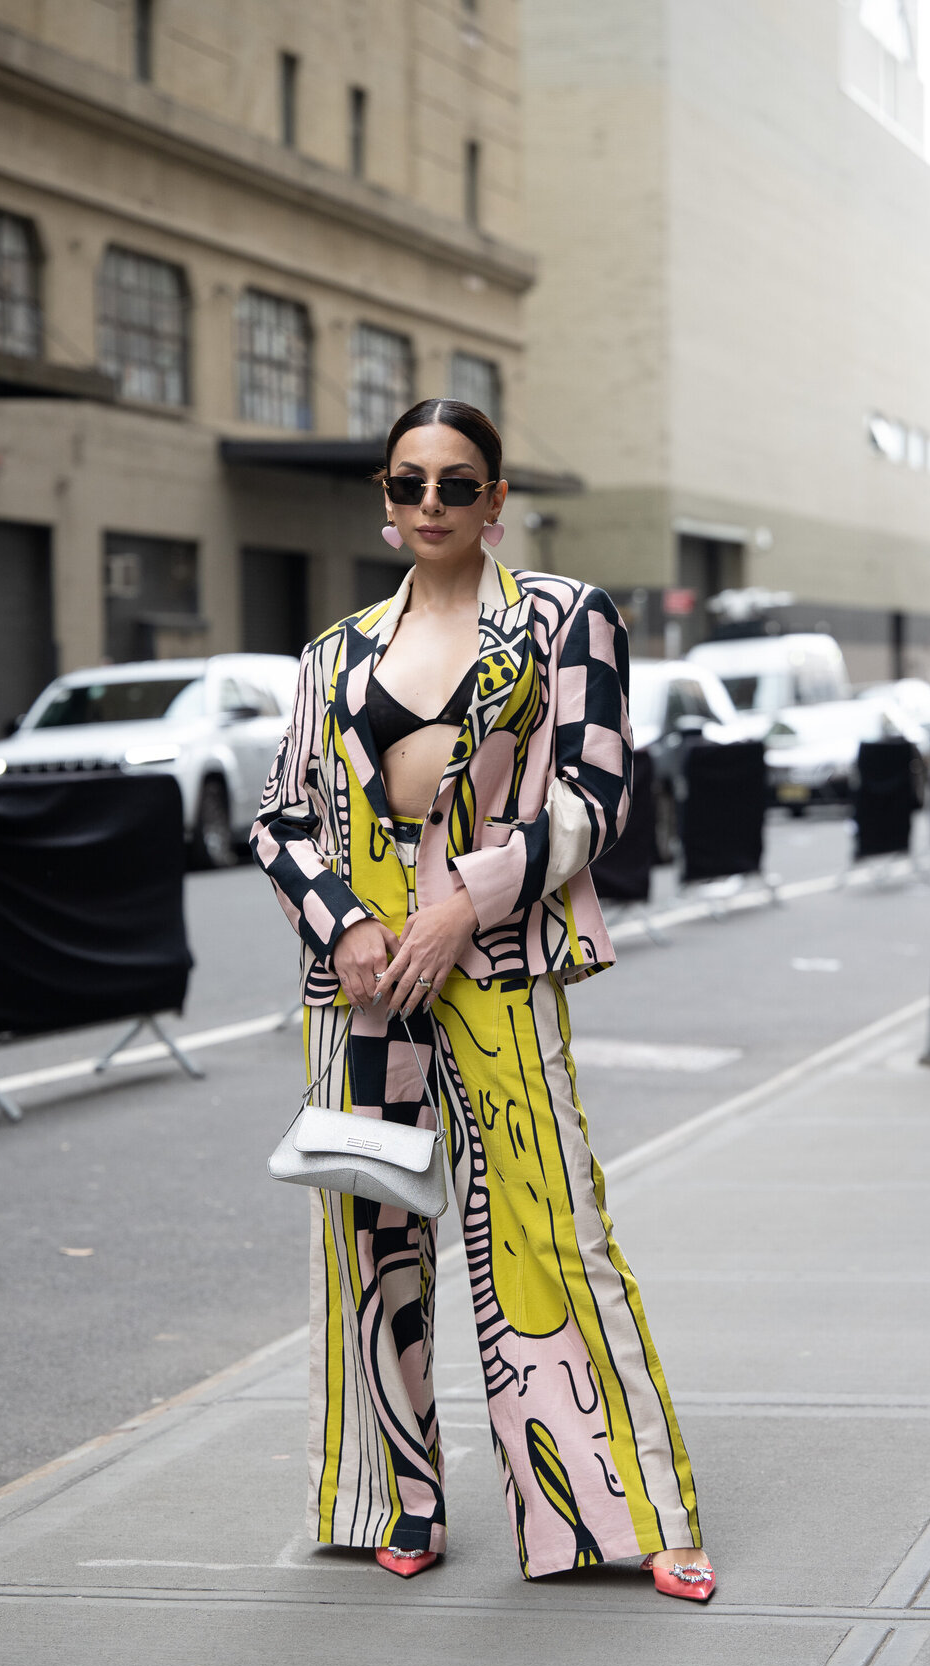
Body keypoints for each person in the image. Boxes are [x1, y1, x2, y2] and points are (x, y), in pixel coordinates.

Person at [252, 397, 713, 1601]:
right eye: (410, 484)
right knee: (367, 1241)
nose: (432, 507)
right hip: (358, 985)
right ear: (385, 495)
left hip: (494, 959)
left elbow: (598, 790)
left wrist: (470, 899)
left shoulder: (563, 619)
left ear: (496, 500)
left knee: (546, 1225)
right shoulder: (333, 654)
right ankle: (394, 1499)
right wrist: (344, 925)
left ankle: (623, 1517)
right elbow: (280, 817)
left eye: (459, 485)